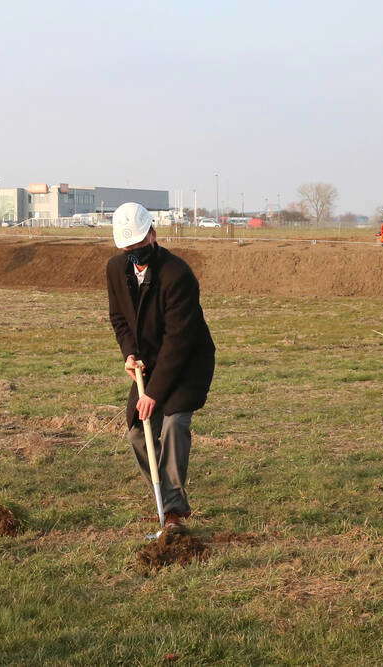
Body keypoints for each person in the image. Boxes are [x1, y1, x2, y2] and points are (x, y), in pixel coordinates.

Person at [106, 202, 216, 533]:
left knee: (173, 425)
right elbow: (119, 319)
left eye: (140, 245)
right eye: (129, 248)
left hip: (187, 362)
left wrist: (153, 392)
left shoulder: (177, 274)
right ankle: (165, 497)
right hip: (149, 364)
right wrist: (129, 354)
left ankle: (173, 514)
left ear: (153, 234)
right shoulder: (115, 269)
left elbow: (179, 340)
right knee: (138, 432)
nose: (134, 253)